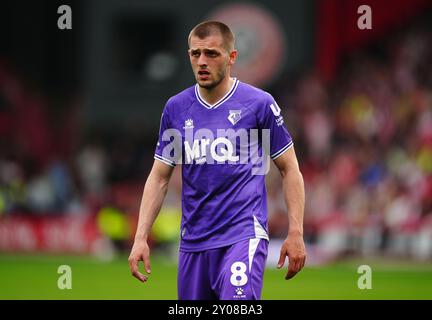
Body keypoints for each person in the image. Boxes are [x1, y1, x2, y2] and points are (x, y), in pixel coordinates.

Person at [128, 20, 306, 300]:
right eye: (195, 53)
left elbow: (290, 168)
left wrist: (296, 231)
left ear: (232, 57)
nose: (201, 61)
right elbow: (160, 176)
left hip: (242, 235)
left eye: (211, 53)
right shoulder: (176, 108)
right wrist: (140, 237)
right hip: (193, 243)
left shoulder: (259, 104)